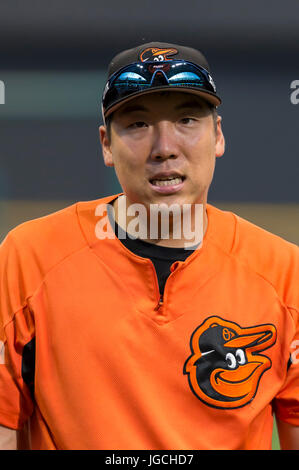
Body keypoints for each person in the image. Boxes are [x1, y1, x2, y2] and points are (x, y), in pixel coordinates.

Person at [0, 41, 299, 450]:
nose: (164, 147)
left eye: (187, 120)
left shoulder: (283, 273)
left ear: (218, 135)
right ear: (106, 144)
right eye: (138, 124)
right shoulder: (30, 259)